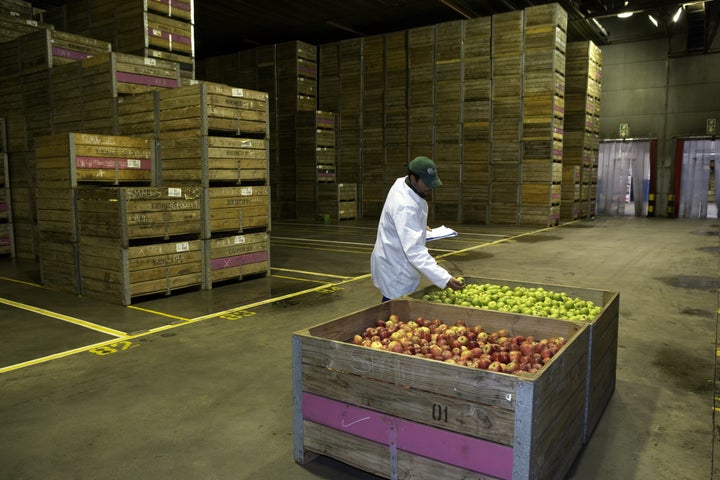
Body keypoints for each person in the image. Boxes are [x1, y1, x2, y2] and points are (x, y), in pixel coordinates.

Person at [370, 156, 465, 301]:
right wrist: (444, 278)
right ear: (413, 178)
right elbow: (414, 251)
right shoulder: (405, 206)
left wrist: (417, 224)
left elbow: (406, 217)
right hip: (396, 268)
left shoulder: (403, 182)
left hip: (392, 256)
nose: (430, 188)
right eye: (427, 183)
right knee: (395, 307)